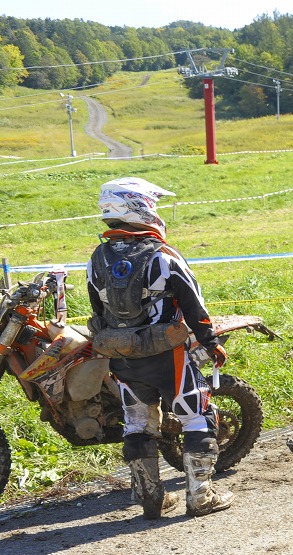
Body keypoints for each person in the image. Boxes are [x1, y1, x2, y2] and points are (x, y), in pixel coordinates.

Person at [86, 177, 233, 519]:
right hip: (167, 354)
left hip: (122, 356)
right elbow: (194, 306)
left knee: (137, 422)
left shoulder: (97, 257)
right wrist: (211, 343)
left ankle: (150, 499)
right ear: (140, 207)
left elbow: (97, 312)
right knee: (197, 417)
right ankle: (201, 497)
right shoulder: (163, 256)